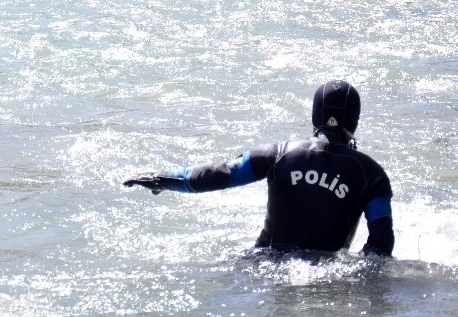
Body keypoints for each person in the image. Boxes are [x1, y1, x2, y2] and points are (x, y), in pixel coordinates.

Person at [123, 80, 395, 256]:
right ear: (355, 120)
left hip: (262, 267)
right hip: (326, 280)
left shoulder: (277, 154)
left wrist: (162, 179)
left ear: (315, 114)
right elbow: (381, 244)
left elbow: (219, 174)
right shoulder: (371, 175)